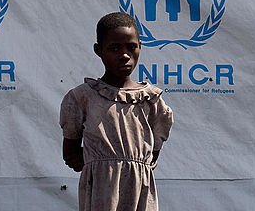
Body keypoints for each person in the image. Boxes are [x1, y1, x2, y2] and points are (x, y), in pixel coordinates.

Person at [60, 12, 174, 211]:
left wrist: (132, 165)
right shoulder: (82, 97)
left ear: (140, 47)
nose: (124, 55)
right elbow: (71, 154)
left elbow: (153, 154)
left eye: (131, 47)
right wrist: (100, 164)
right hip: (100, 194)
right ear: (98, 50)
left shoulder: (152, 100)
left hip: (140, 192)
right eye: (114, 48)